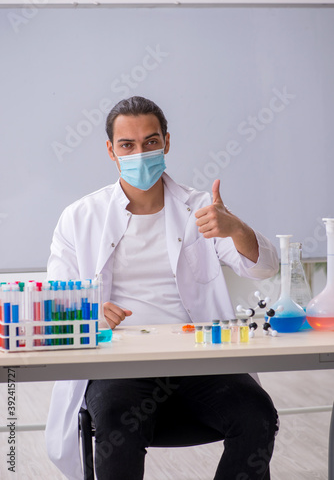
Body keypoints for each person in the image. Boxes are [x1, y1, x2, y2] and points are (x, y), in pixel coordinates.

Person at [45, 96, 279, 480]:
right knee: (117, 424)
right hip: (119, 364)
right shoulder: (80, 217)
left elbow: (263, 268)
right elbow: (56, 298)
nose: (140, 154)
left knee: (257, 415)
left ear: (166, 143)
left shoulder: (202, 208)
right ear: (111, 150)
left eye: (150, 142)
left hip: (200, 359)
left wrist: (236, 229)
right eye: (128, 145)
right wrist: (89, 308)